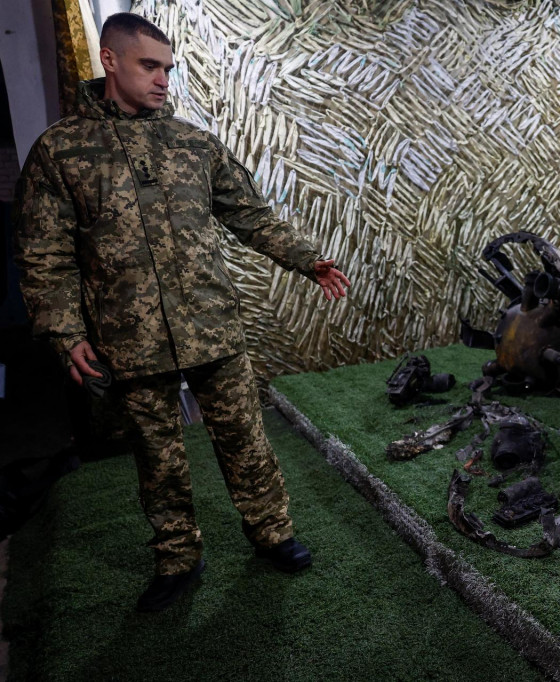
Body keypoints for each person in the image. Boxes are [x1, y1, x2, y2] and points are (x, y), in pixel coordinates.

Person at [14, 13, 351, 612]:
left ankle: (273, 534)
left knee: (247, 439)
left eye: (168, 68)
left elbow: (249, 214)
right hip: (131, 340)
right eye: (150, 65)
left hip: (211, 326)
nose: (164, 79)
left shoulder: (193, 144)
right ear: (110, 61)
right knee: (158, 456)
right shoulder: (61, 152)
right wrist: (65, 334)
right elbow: (45, 255)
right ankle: (177, 558)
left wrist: (309, 261)